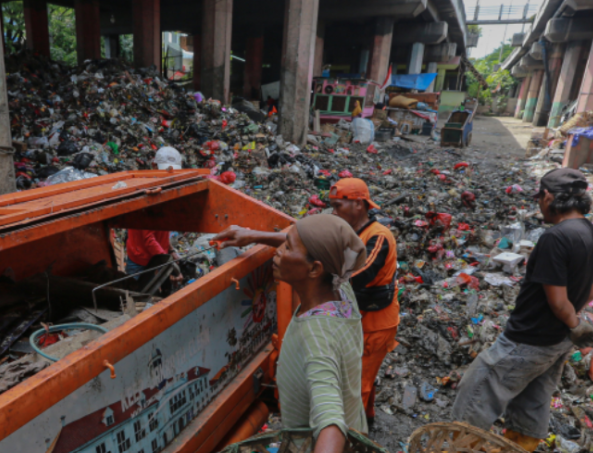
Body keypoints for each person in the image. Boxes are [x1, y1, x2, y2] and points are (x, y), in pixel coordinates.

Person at [452, 168, 593, 452]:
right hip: (558, 341)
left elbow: (557, 301)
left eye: (539, 198)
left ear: (548, 196)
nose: (539, 205)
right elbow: (591, 292)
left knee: (476, 391)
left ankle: (457, 448)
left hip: (530, 338)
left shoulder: (556, 237)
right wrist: (573, 325)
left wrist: (575, 324)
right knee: (532, 403)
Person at [217, 215, 369, 447]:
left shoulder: (316, 337)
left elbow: (330, 422)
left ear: (314, 268)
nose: (278, 251)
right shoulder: (340, 285)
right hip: (355, 425)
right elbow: (313, 248)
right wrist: (252, 235)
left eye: (287, 247)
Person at [327, 178, 399, 428]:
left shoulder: (379, 236)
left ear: (358, 204)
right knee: (362, 377)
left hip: (375, 324)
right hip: (359, 320)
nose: (334, 212)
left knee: (356, 386)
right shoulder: (350, 232)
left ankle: (352, 435)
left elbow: (360, 274)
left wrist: (319, 280)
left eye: (338, 206)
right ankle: (367, 420)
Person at [125, 147, 184, 287]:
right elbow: (149, 239)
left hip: (154, 257)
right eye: (166, 170)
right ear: (154, 165)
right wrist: (168, 263)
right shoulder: (148, 193)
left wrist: (171, 250)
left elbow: (161, 231)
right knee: (138, 295)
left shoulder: (165, 190)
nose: (169, 175)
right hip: (141, 261)